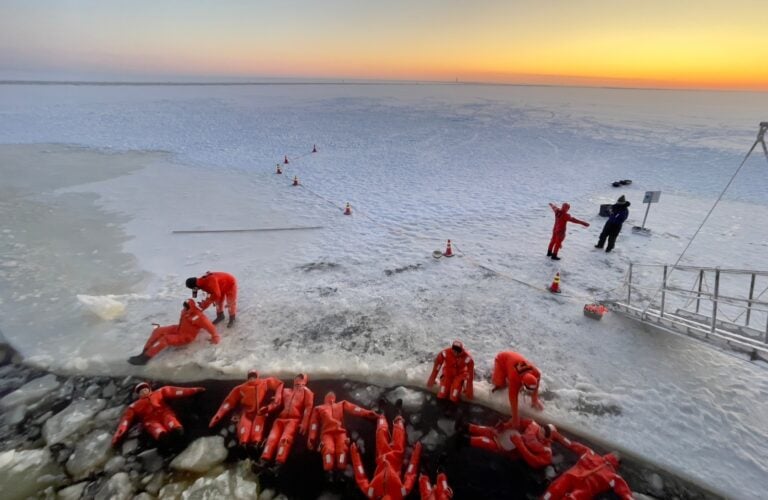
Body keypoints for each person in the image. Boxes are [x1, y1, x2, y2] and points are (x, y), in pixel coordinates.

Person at [349, 412, 422, 499]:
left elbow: (360, 474)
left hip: (381, 454)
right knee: (399, 430)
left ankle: (382, 415)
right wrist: (416, 452)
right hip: (397, 455)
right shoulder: (401, 493)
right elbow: (411, 472)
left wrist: (355, 453)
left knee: (381, 432)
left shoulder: (372, 493)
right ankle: (398, 417)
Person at [128, 299, 219, 365]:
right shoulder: (185, 311)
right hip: (178, 329)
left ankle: (145, 358)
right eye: (184, 306)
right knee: (158, 331)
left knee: (165, 339)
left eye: (186, 307)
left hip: (186, 336)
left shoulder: (199, 317)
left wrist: (215, 337)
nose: (184, 308)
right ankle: (144, 352)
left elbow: (210, 327)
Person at [112, 382, 204, 446]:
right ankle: (165, 440)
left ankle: (178, 434)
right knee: (158, 431)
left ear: (149, 389)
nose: (144, 391)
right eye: (141, 391)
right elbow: (126, 421)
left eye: (145, 389)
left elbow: (177, 391)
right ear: (139, 394)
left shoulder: (159, 392)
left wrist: (195, 390)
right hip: (151, 421)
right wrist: (119, 434)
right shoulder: (134, 406)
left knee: (173, 423)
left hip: (165, 414)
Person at [307, 391, 378, 473]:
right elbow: (314, 424)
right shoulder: (319, 408)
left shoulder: (340, 404)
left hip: (340, 432)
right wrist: (311, 437)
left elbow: (354, 408)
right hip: (327, 433)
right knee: (329, 449)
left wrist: (367, 413)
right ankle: (330, 463)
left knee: (341, 449)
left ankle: (337, 463)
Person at [209, 370, 284, 446]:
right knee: (244, 432)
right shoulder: (240, 388)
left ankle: (256, 443)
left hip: (260, 412)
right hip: (247, 413)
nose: (252, 378)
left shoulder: (265, 382)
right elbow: (228, 402)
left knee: (257, 432)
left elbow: (279, 384)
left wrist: (276, 400)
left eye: (254, 376)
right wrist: (218, 416)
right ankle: (243, 445)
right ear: (247, 377)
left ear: (257, 376)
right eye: (250, 376)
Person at [543, 442, 633, 500]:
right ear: (617, 464)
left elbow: (572, 445)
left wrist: (559, 437)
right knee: (572, 497)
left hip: (571, 477)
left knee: (555, 489)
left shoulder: (590, 453)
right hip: (584, 488)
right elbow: (625, 492)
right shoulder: (613, 476)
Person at [261, 373, 314, 464]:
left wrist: (304, 423)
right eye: (297, 381)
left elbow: (308, 409)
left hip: (293, 420)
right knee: (271, 439)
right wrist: (268, 408)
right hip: (280, 419)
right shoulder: (286, 391)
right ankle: (263, 461)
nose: (298, 384)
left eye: (301, 382)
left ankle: (279, 463)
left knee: (285, 440)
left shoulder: (307, 392)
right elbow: (276, 403)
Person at [468, 417, 558, 469]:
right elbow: (517, 421)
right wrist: (505, 425)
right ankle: (468, 427)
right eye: (541, 429)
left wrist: (520, 445)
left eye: (542, 433)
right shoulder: (533, 425)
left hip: (515, 455)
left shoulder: (547, 454)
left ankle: (466, 440)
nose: (539, 432)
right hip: (514, 440)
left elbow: (534, 462)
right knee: (491, 430)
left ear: (548, 440)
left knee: (491, 444)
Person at [491, 351, 543, 428]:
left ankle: (504, 374)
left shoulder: (536, 373)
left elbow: (536, 384)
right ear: (522, 382)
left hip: (513, 360)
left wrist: (534, 399)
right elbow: (513, 397)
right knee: (499, 384)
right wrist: (515, 417)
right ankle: (495, 376)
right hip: (502, 359)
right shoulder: (514, 378)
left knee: (512, 381)